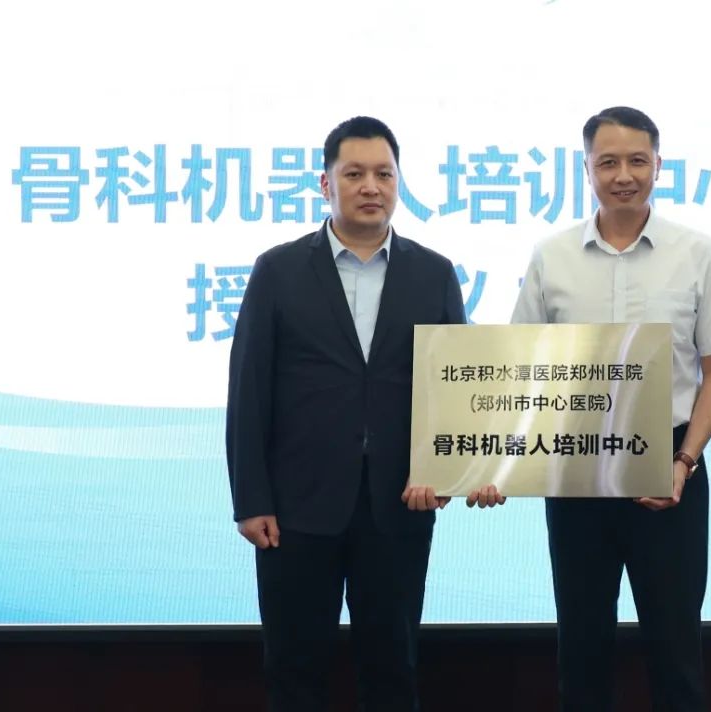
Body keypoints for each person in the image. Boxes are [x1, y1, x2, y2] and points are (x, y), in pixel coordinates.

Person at [503, 106, 711, 711]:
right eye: (608, 162)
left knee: (676, 650)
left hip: (669, 468)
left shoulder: (698, 252)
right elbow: (519, 365)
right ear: (586, 168)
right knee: (581, 649)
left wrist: (685, 461)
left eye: (637, 161)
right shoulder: (551, 256)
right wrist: (496, 463)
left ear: (658, 166)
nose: (623, 175)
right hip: (575, 469)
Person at [226, 115, 465, 712]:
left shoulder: (434, 273)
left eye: (384, 174)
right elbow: (249, 389)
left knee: (392, 669)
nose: (371, 186)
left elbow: (455, 390)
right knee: (294, 669)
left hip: (399, 503)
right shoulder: (278, 270)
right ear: (325, 183)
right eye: (354, 174)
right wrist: (251, 499)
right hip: (296, 509)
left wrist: (446, 472)